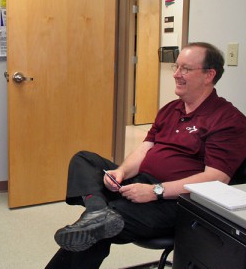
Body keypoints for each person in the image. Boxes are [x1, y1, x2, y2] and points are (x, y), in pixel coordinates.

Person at [46, 42, 246, 269]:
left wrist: (155, 192)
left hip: (175, 202)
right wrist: (120, 172)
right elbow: (145, 149)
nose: (177, 75)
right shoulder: (171, 109)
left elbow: (215, 179)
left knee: (92, 232)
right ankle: (96, 208)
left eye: (186, 69)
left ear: (209, 75)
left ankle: (100, 216)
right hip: (141, 183)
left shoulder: (228, 120)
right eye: (176, 67)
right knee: (84, 159)